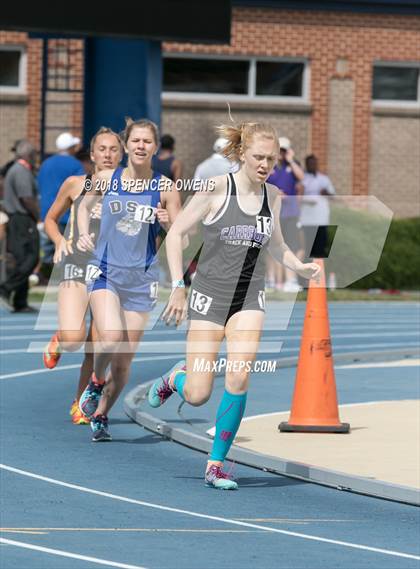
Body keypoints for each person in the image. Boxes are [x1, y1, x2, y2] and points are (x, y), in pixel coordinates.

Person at [147, 121, 320, 489]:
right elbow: (177, 234)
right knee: (197, 394)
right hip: (209, 296)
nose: (265, 165)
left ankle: (216, 464)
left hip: (249, 297)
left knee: (239, 376)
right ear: (242, 153)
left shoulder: (272, 195)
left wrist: (299, 265)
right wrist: (178, 286)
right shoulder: (215, 189)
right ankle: (175, 379)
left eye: (271, 160)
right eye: (259, 157)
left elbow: (276, 245)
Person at [76, 118, 182, 442]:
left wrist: (167, 225)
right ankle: (95, 382)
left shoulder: (166, 188)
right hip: (106, 269)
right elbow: (83, 206)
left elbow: (181, 237)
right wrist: (82, 233)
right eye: (135, 141)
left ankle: (102, 413)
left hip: (142, 278)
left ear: (155, 148)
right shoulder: (107, 178)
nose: (140, 146)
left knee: (122, 366)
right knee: (109, 337)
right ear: (127, 145)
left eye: (146, 142)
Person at [42, 127, 123, 425]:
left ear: (121, 154)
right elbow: (50, 220)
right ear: (92, 155)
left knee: (96, 344)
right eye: (102, 149)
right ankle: (62, 337)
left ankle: (79, 403)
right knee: (76, 338)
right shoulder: (75, 184)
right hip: (76, 265)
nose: (108, 154)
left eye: (114, 149)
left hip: (109, 271)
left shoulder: (130, 189)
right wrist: (59, 241)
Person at [0, 140, 40, 313]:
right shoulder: (21, 171)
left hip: (17, 219)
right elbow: (26, 198)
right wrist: (38, 215)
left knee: (24, 258)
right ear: (28, 155)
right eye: (34, 154)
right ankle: (6, 288)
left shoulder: (16, 170)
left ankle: (20, 301)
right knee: (30, 258)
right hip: (22, 219)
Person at [37, 132, 84, 277]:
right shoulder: (75, 164)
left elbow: (39, 186)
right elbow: (81, 190)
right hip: (67, 214)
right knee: (67, 249)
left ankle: (45, 275)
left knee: (48, 250)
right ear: (70, 147)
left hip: (47, 214)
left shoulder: (45, 163)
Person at [266, 137, 305, 292]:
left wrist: (291, 160)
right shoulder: (269, 165)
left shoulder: (292, 166)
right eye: (279, 150)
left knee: (293, 246)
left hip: (290, 213)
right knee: (271, 246)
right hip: (273, 213)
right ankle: (272, 280)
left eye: (284, 150)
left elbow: (302, 178)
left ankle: (290, 280)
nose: (281, 153)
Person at [300, 154, 336, 259]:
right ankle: (305, 274)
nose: (312, 165)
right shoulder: (302, 178)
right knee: (307, 249)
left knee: (320, 249)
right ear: (306, 165)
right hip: (306, 220)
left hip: (321, 220)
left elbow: (333, 196)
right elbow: (297, 197)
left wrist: (326, 193)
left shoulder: (324, 179)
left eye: (314, 163)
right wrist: (307, 200)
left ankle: (319, 274)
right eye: (310, 163)